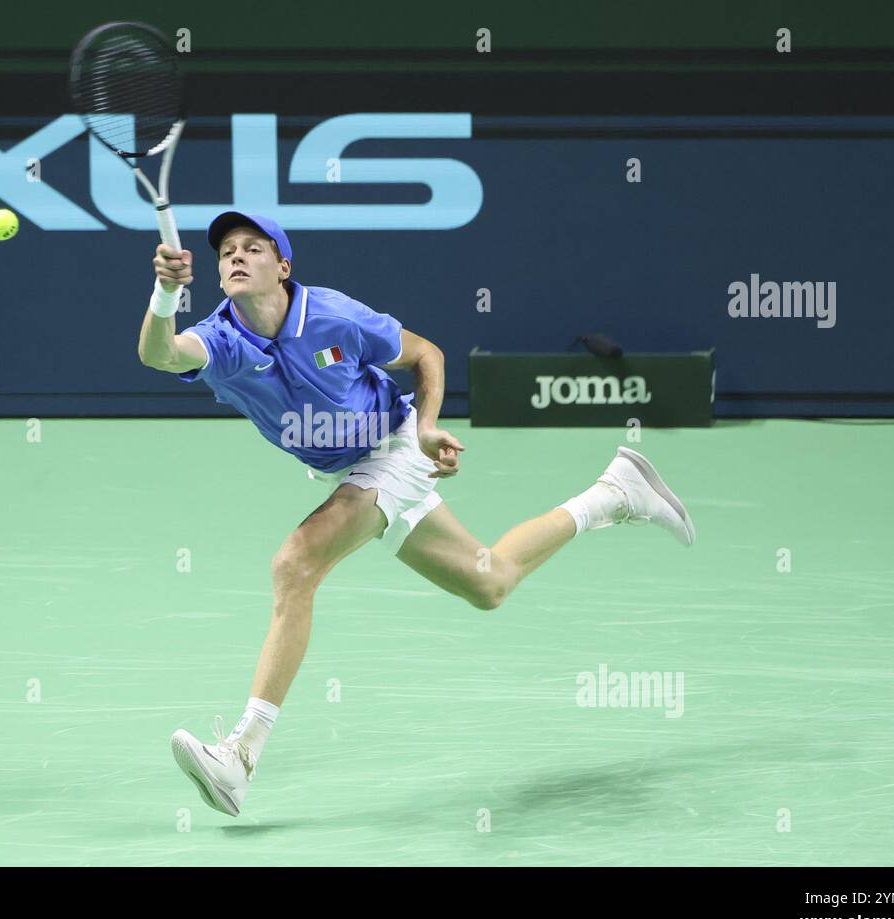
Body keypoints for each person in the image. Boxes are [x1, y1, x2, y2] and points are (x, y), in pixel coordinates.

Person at [137, 211, 695, 817]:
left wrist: (426, 428)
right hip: (351, 468)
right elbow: (161, 353)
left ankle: (242, 755)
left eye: (253, 247)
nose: (236, 257)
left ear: (284, 266)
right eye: (226, 252)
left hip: (394, 447)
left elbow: (425, 353)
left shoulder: (334, 315)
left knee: (296, 564)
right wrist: (166, 292)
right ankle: (615, 493)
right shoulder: (222, 339)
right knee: (489, 581)